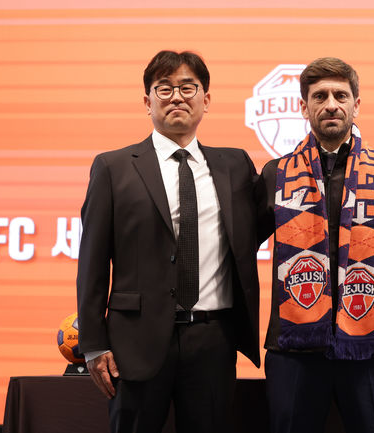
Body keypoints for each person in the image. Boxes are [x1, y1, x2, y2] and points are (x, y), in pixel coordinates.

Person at [76, 50, 260, 433]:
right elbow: (92, 262)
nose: (177, 96)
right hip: (135, 342)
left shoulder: (235, 166)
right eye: (164, 88)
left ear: (206, 100)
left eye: (188, 88)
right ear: (148, 102)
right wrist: (93, 343)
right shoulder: (113, 168)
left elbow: (277, 208)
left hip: (213, 340)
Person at [256, 57, 374, 433]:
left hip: (368, 345)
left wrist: (356, 297)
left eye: (340, 95)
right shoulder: (275, 174)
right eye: (320, 96)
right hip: (293, 346)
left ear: (355, 105)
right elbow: (242, 247)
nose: (331, 104)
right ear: (304, 107)